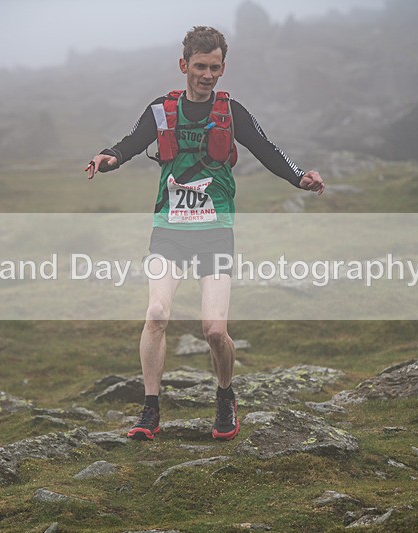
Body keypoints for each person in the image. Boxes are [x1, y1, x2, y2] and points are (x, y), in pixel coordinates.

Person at [85, 26, 324, 442]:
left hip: (215, 230)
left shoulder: (233, 113)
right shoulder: (161, 109)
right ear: (184, 66)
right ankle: (150, 409)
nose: (207, 74)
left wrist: (300, 178)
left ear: (222, 68)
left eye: (215, 67)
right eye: (200, 66)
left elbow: (267, 149)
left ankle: (225, 397)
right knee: (157, 314)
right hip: (170, 228)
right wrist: (110, 156)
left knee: (214, 330)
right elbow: (131, 142)